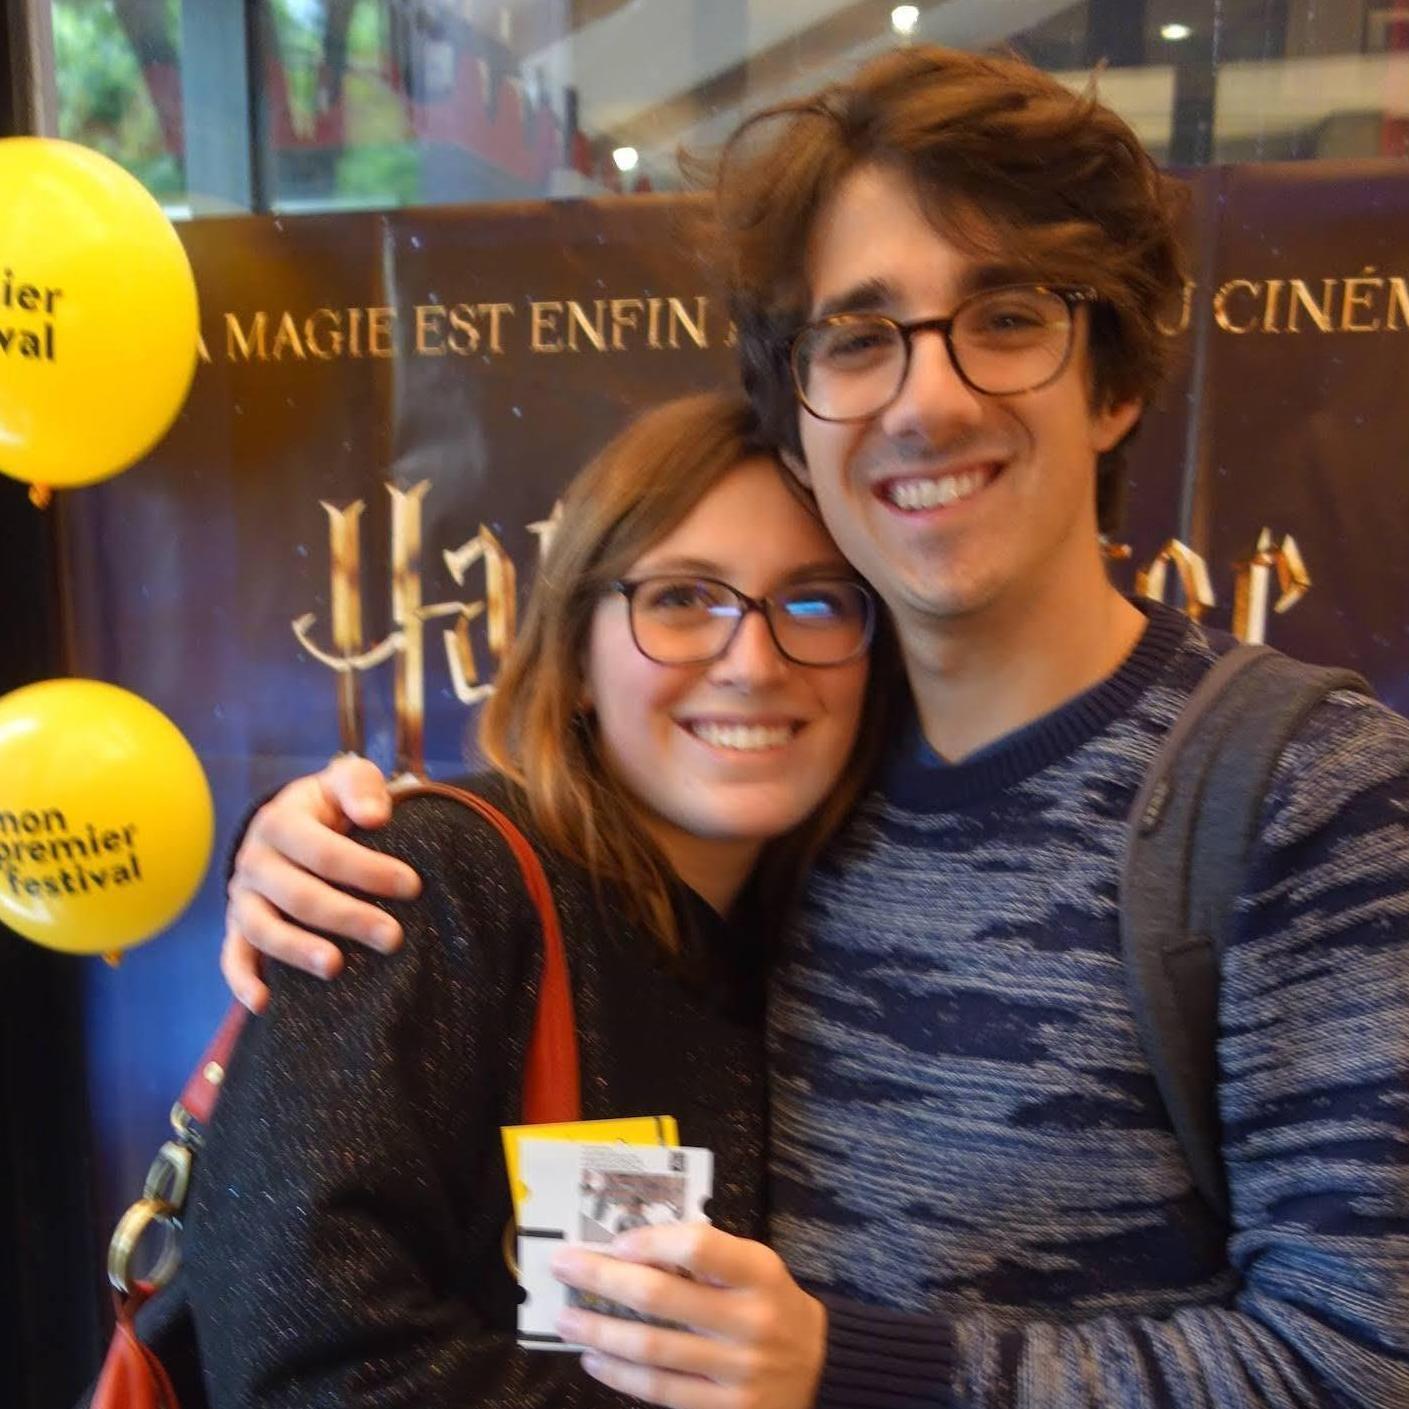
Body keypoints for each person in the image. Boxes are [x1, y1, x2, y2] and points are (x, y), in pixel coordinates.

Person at [220, 46, 1409, 1409]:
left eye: (1007, 317)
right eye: (857, 336)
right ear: (798, 425)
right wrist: (313, 855)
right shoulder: (809, 775)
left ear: (1118, 380)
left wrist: (850, 1370)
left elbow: (1362, 1363)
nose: (929, 399)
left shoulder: (1296, 793)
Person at [184, 389, 893, 1408]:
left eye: (815, 600)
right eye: (683, 598)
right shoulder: (432, 888)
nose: (752, 660)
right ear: (577, 654)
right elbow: (308, 1368)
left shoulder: (826, 937)